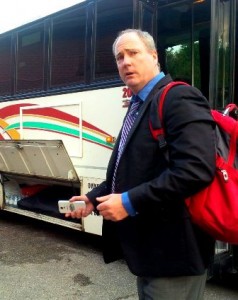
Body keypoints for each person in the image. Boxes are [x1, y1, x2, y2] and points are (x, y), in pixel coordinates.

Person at [66, 29, 216, 299]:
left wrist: (129, 202)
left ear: (154, 55)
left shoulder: (178, 98)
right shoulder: (139, 104)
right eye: (119, 57)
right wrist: (92, 199)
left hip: (175, 254)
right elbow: (132, 171)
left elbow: (195, 170)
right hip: (151, 253)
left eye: (133, 53)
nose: (126, 62)